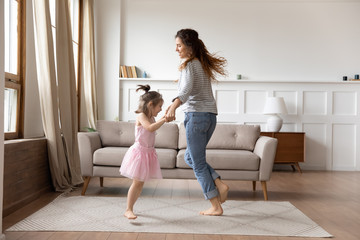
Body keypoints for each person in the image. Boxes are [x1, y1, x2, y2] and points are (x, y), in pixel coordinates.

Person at [165, 28, 229, 216]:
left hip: (196, 117)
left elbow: (185, 91)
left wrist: (172, 107)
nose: (176, 49)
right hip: (210, 117)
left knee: (198, 164)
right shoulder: (201, 64)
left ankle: (216, 206)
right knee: (190, 158)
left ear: (189, 46)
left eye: (179, 45)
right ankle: (219, 183)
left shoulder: (190, 65)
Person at [120, 84, 167, 220]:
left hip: (148, 153)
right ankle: (128, 209)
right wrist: (164, 119)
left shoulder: (151, 117)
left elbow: (153, 125)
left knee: (140, 184)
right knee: (137, 183)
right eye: (160, 107)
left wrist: (163, 117)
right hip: (139, 154)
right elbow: (150, 128)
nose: (160, 110)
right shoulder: (141, 116)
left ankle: (130, 208)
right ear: (151, 104)